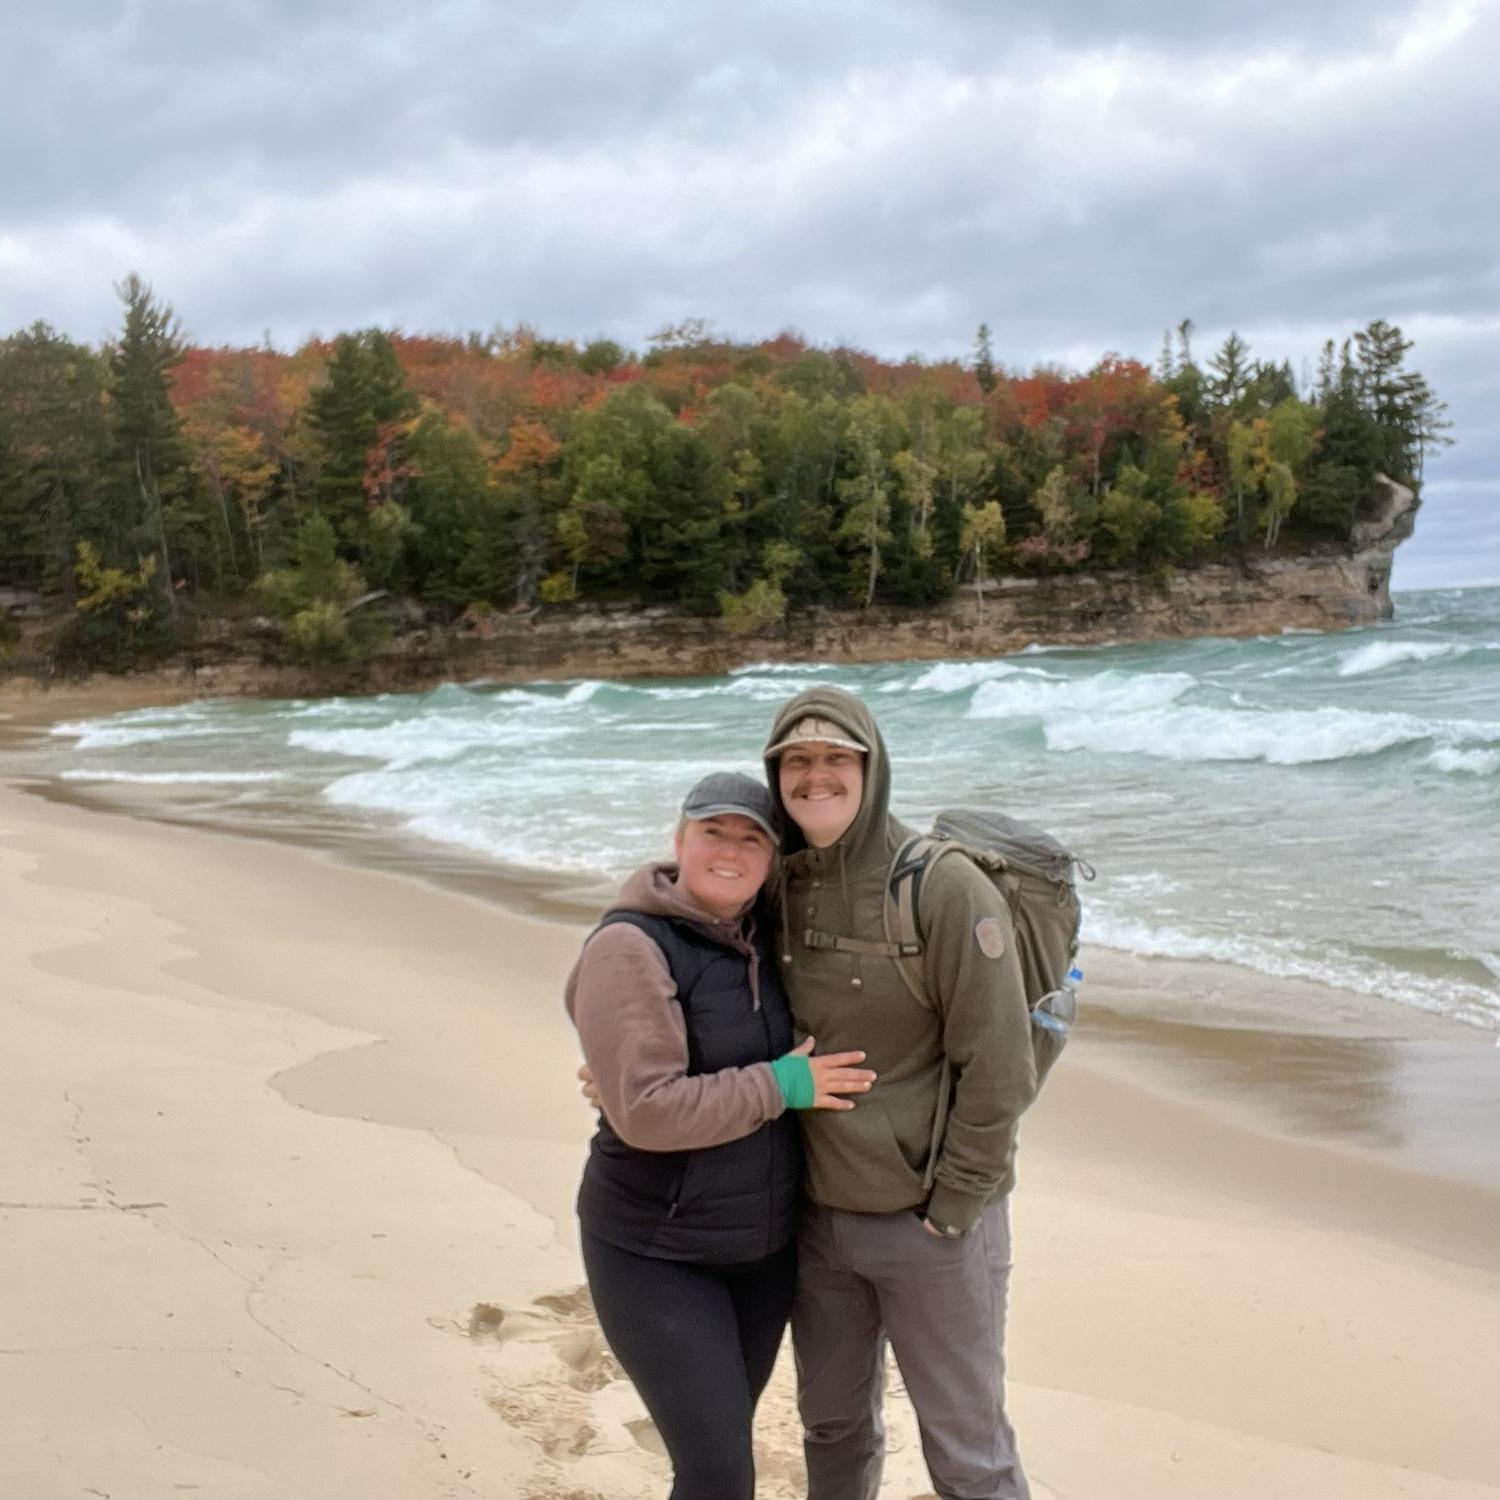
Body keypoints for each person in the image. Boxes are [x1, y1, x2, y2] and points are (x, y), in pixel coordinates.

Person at [565, 770, 876, 1500]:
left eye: (751, 839)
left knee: (724, 1448)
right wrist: (782, 1086)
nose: (731, 851)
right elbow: (647, 1111)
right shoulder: (630, 946)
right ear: (680, 841)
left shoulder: (770, 939)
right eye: (713, 832)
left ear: (773, 861)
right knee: (718, 1473)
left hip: (761, 1253)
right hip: (655, 1250)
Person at [764, 686, 1038, 1500]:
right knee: (832, 1429)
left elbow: (1001, 1068)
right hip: (818, 1223)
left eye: (836, 758)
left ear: (872, 766)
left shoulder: (944, 887)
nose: (816, 776)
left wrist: (952, 1209)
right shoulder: (777, 885)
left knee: (969, 1454)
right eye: (796, 760)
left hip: (932, 1224)